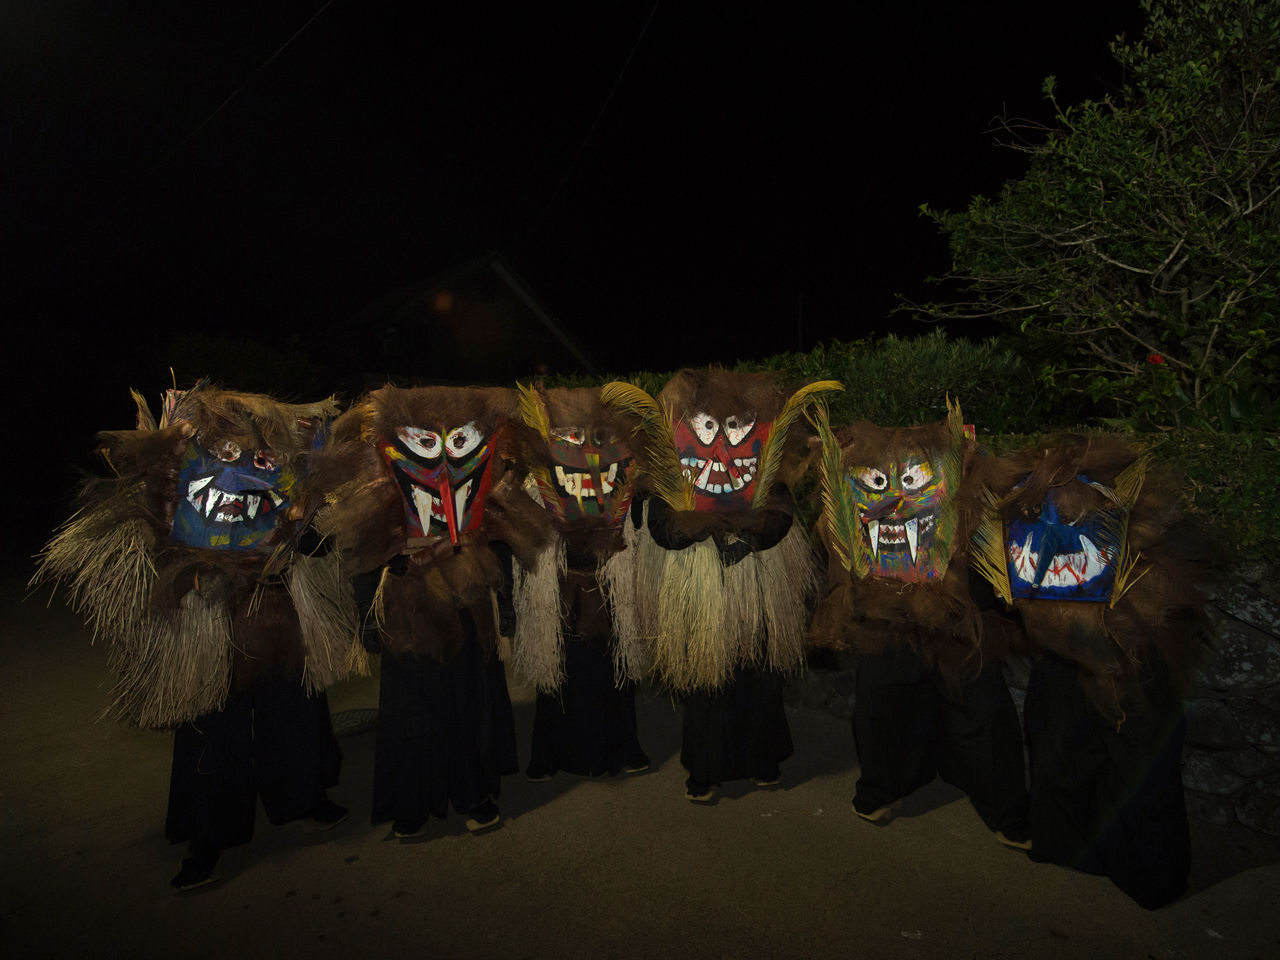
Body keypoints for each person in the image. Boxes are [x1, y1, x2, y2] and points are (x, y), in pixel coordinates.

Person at [36, 382, 357, 890]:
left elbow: (317, 538)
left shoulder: (289, 470)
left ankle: (303, 799)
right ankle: (208, 837)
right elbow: (147, 523)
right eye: (228, 453)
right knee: (213, 728)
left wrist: (308, 528)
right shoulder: (178, 466)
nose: (243, 465)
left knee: (293, 709)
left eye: (258, 456)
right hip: (207, 615)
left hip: (279, 608)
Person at [303, 385, 553, 840]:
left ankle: (474, 794)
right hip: (408, 606)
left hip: (469, 599)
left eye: (456, 439)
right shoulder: (381, 469)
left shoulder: (485, 469)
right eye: (424, 440)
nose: (440, 454)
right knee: (413, 707)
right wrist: (371, 608)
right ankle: (412, 802)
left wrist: (504, 602)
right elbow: (362, 546)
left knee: (468, 699)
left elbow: (503, 539)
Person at [602, 369, 840, 801]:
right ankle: (705, 771)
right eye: (707, 428)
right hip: (698, 588)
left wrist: (748, 535)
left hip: (757, 586)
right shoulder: (671, 472)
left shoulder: (768, 471)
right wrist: (698, 526)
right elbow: (662, 529)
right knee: (707, 681)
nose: (722, 442)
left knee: (760, 675)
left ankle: (763, 762)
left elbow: (781, 515)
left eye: (735, 428)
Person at [808, 400, 1031, 845]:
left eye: (912, 480)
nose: (896, 498)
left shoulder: (968, 483)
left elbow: (989, 545)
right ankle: (882, 787)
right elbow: (841, 540)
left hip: (955, 612)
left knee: (979, 704)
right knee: (882, 698)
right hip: (886, 613)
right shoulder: (859, 487)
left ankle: (1006, 807)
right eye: (880, 482)